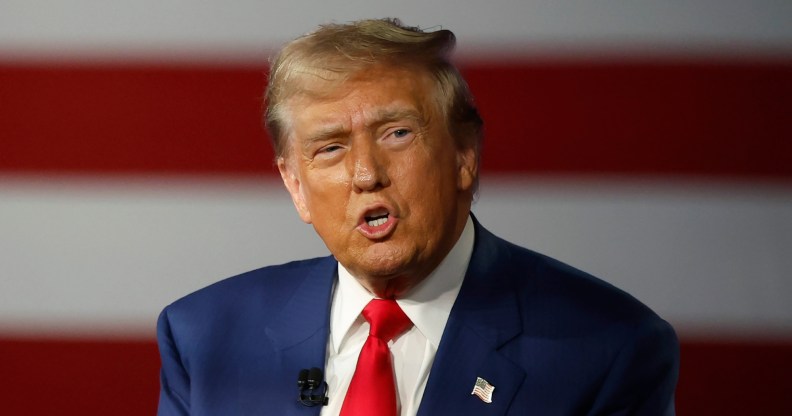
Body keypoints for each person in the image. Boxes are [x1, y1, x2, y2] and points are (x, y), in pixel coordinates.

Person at [157, 18, 679, 415]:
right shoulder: (205, 338)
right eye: (331, 148)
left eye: (397, 134)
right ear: (295, 185)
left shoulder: (608, 347)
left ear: (463, 156)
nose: (366, 174)